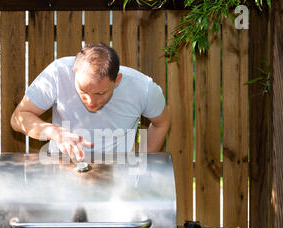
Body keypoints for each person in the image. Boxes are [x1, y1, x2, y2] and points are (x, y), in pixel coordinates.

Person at [10, 43, 170, 161]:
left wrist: (144, 159)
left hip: (119, 184)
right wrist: (55, 133)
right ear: (74, 73)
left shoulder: (143, 88)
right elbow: (19, 118)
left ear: (117, 80)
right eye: (83, 91)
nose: (91, 101)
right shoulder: (57, 73)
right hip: (61, 177)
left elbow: (161, 122)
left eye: (101, 92)